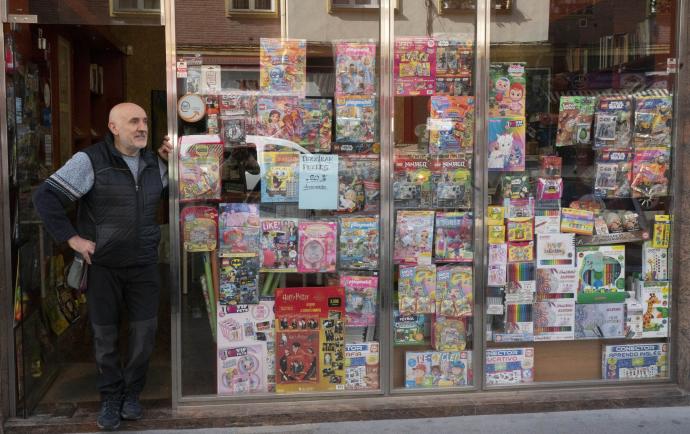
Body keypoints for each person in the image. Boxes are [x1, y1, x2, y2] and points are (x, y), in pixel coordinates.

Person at [33, 102, 172, 431]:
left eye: (144, 122)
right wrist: (72, 239)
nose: (141, 127)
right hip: (104, 265)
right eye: (133, 122)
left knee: (144, 334)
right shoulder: (91, 160)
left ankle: (132, 394)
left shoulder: (155, 163)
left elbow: (181, 190)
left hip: (143, 265)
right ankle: (110, 397)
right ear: (113, 128)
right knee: (105, 336)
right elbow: (45, 197)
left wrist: (175, 159)